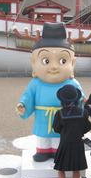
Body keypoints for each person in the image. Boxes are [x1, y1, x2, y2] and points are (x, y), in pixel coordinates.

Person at [16, 22, 85, 162]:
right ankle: (43, 151)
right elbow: (28, 96)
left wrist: (82, 103)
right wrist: (23, 105)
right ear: (33, 63)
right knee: (43, 137)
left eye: (62, 60)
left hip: (64, 116)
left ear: (73, 64)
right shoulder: (35, 83)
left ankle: (57, 152)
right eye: (46, 60)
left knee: (59, 136)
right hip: (43, 116)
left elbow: (80, 99)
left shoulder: (72, 83)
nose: (54, 67)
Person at [52, 85, 91, 178]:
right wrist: (79, 132)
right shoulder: (83, 112)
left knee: (60, 168)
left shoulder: (60, 114)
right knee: (76, 168)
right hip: (78, 144)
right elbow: (88, 126)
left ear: (62, 100)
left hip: (65, 143)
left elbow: (56, 128)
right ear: (76, 99)